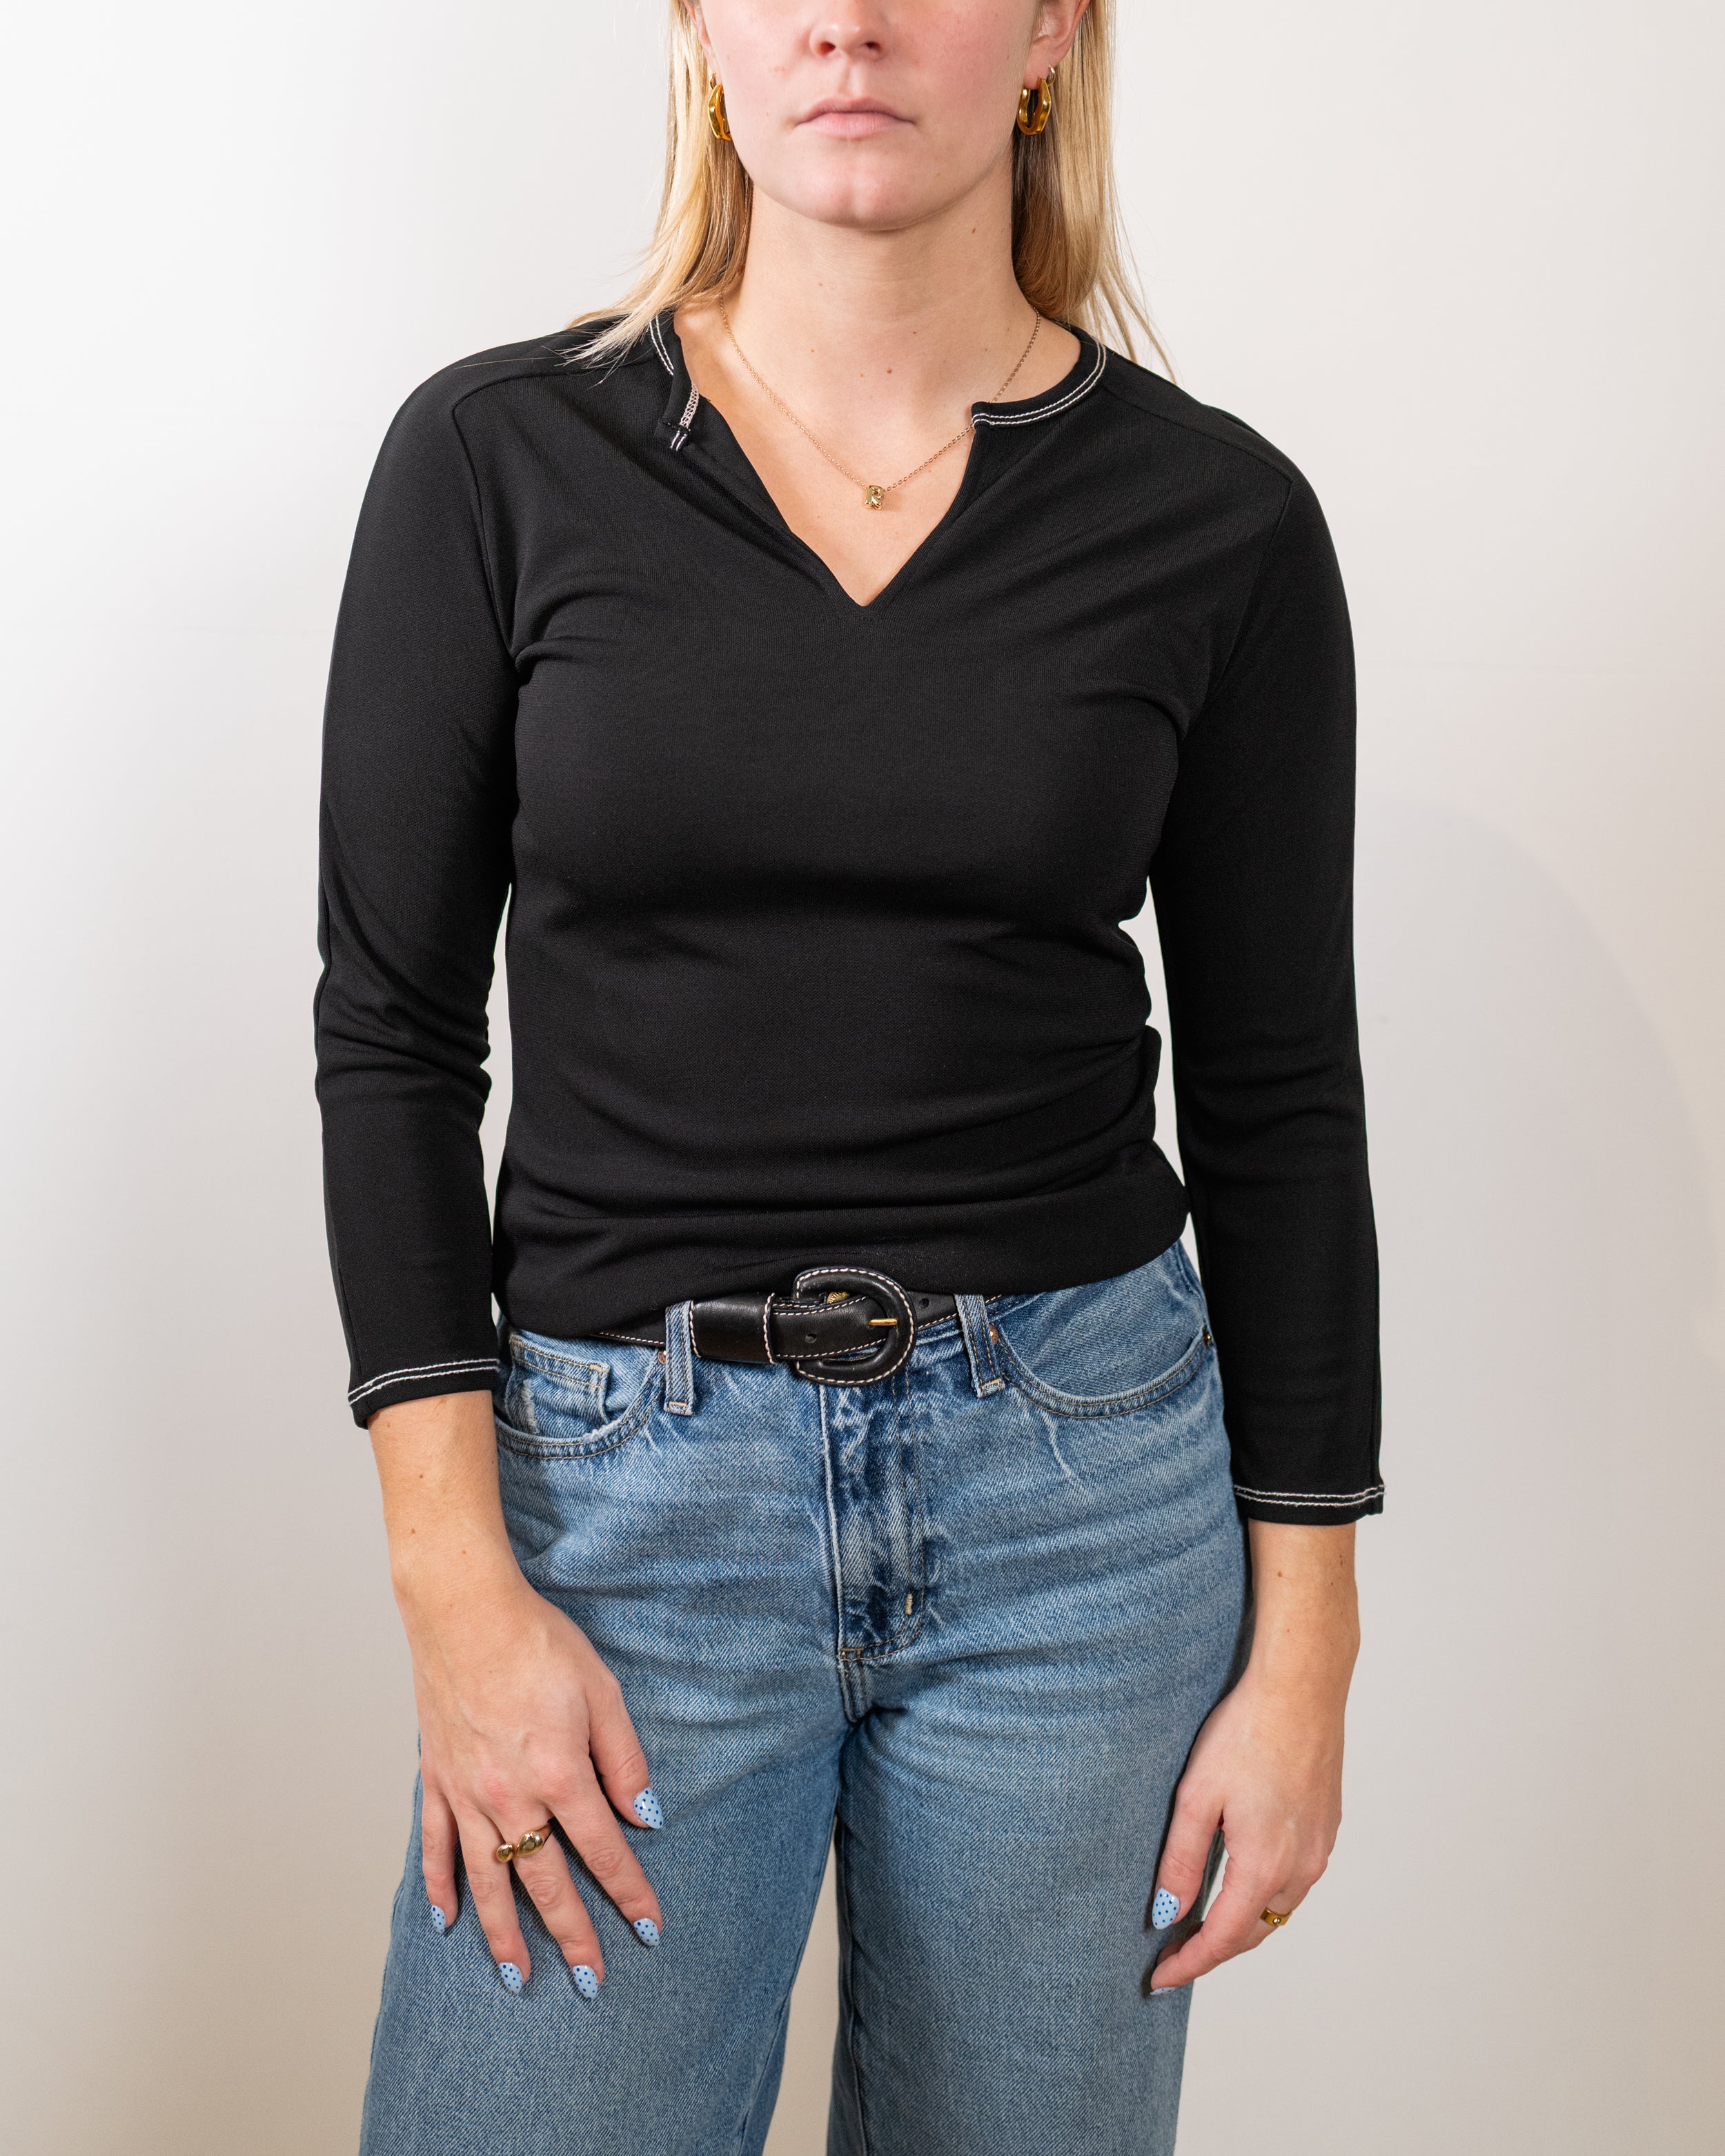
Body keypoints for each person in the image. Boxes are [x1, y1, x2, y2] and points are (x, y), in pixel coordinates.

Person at [313, 3, 1382, 2150]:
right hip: (616, 1510)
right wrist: (454, 1587)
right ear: (700, 34)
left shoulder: (1216, 520)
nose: (846, 22)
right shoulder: (499, 457)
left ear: (1051, 36)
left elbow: (1277, 1102)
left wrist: (1305, 1658)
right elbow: (393, 1038)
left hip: (1080, 1519)